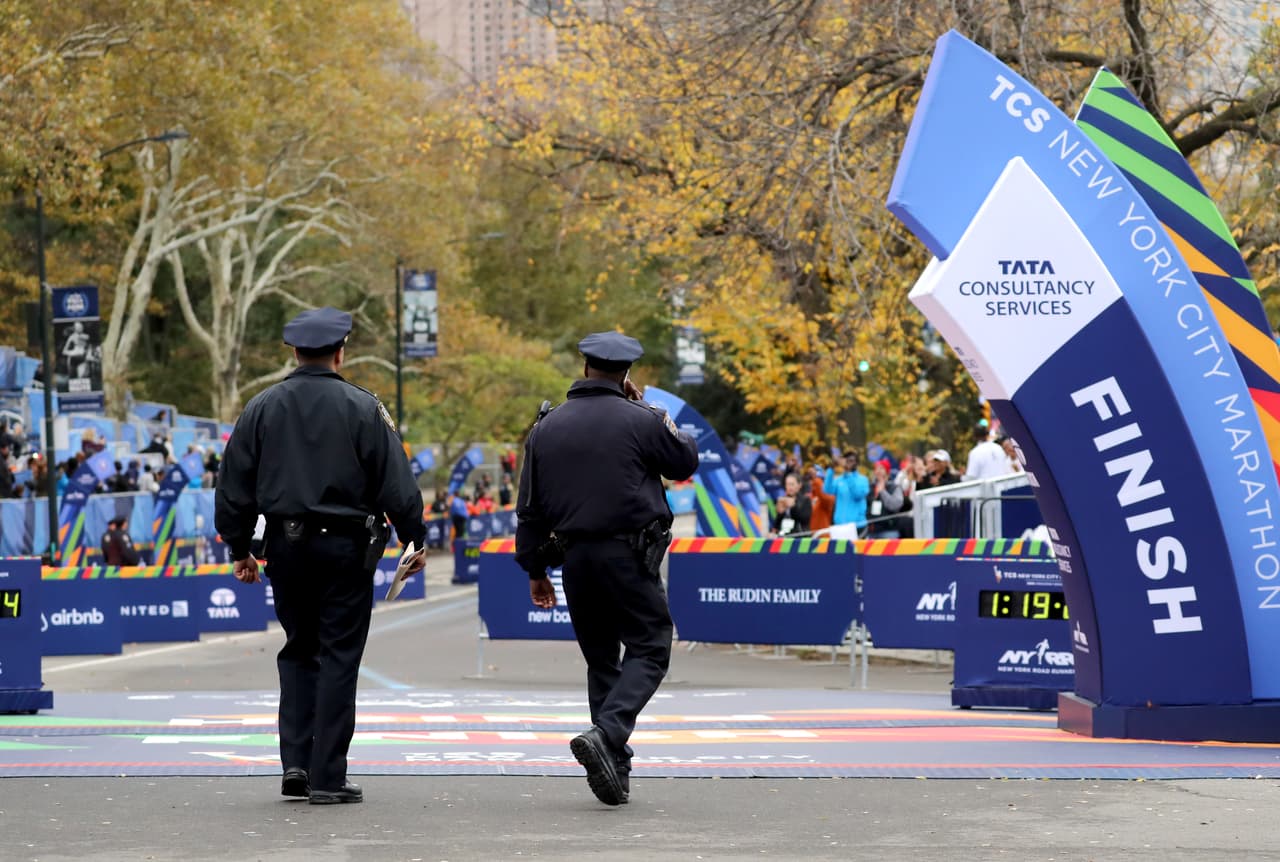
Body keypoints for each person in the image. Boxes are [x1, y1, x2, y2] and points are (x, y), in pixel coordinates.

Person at [214, 307, 427, 806]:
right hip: (347, 549)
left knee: (298, 648)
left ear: (293, 352)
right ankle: (328, 775)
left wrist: (239, 547)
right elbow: (397, 484)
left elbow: (233, 486)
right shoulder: (363, 407)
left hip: (286, 548)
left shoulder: (261, 407)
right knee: (339, 655)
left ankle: (295, 762)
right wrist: (414, 538)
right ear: (340, 352)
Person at [515, 331, 698, 806]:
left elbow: (529, 509)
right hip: (629, 556)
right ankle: (609, 733)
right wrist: (651, 411)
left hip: (575, 559)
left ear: (585, 368)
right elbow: (684, 461)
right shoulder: (641, 419)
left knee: (601, 661)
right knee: (651, 647)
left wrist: (535, 569)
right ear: (626, 375)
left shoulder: (546, 427)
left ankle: (613, 769)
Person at [824, 451, 870, 530]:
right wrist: (831, 469)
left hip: (857, 525)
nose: (848, 463)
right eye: (847, 460)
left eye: (851, 460)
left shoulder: (863, 480)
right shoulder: (839, 479)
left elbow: (857, 494)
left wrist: (848, 474)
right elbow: (827, 490)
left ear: (857, 463)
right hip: (840, 525)